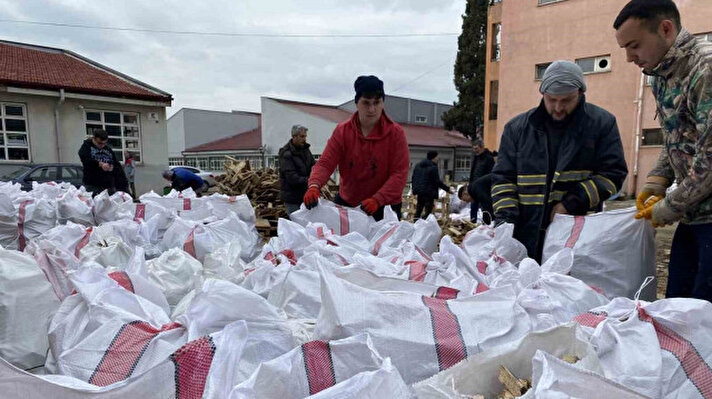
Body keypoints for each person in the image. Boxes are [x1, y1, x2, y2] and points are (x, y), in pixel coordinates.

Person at [615, 0, 712, 301]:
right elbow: (677, 135)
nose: (630, 57)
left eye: (634, 45)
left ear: (666, 29)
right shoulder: (660, 74)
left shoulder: (705, 70)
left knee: (702, 316)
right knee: (676, 305)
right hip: (694, 215)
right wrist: (657, 177)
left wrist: (671, 205)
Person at [490, 60, 628, 261]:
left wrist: (571, 203)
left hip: (575, 235)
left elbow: (613, 175)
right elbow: (503, 178)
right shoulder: (517, 129)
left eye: (566, 100)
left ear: (580, 94)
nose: (558, 107)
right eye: (552, 99)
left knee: (565, 289)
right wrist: (506, 222)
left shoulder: (601, 124)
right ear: (542, 94)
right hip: (524, 234)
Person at [303, 75, 409, 221]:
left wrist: (378, 199)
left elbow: (399, 174)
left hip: (384, 207)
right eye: (366, 103)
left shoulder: (396, 134)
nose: (372, 109)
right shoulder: (342, 131)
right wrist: (314, 185)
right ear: (357, 103)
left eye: (377, 103)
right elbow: (326, 163)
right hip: (349, 203)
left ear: (383, 103)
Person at [78, 129, 128, 196]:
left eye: (104, 143)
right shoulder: (87, 147)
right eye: (99, 143)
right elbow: (86, 159)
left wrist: (112, 167)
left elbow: (116, 164)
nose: (102, 145)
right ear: (94, 139)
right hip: (92, 185)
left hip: (108, 185)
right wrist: (100, 164)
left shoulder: (108, 149)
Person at [279, 124, 316, 215]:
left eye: (305, 136)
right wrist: (310, 180)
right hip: (293, 199)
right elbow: (292, 178)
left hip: (306, 196)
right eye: (302, 136)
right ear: (294, 136)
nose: (304, 139)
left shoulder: (306, 150)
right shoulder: (286, 153)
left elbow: (313, 166)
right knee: (296, 226)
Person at [411, 151, 451, 221]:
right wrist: (447, 189)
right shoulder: (433, 167)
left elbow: (414, 178)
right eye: (437, 157)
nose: (438, 159)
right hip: (429, 192)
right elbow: (437, 181)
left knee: (418, 209)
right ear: (434, 157)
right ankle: (425, 225)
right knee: (428, 212)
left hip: (419, 191)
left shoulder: (418, 165)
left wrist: (415, 188)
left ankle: (416, 224)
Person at [468, 140, 496, 222]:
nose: (475, 151)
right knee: (473, 207)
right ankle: (473, 222)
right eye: (473, 149)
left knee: (485, 207)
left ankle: (487, 224)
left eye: (476, 148)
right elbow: (472, 172)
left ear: (482, 147)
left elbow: (491, 173)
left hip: (483, 188)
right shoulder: (476, 158)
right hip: (474, 187)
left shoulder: (489, 158)